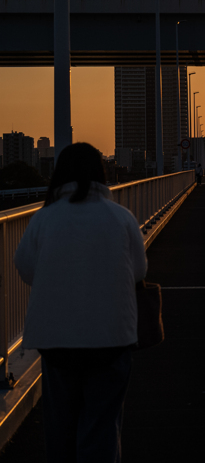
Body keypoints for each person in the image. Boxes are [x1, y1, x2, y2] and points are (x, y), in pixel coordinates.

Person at [15, 143, 147, 463]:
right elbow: (139, 270)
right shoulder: (121, 218)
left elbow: (27, 269)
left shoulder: (43, 219)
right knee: (101, 428)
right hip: (111, 338)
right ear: (102, 175)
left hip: (57, 341)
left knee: (60, 428)